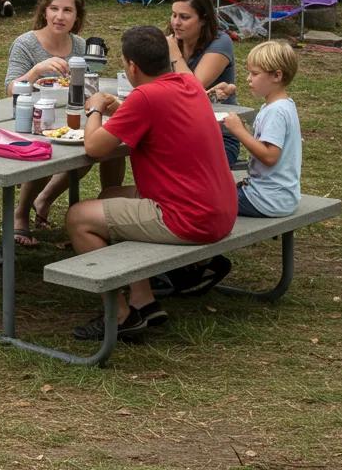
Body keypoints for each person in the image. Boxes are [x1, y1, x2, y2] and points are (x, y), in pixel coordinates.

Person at [66, 26, 238, 341]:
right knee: (110, 195)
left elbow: (93, 148)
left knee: (78, 217)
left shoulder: (146, 96)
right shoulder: (187, 83)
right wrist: (120, 111)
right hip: (220, 207)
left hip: (188, 217)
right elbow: (152, 120)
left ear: (132, 66)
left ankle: (120, 316)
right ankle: (143, 299)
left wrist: (94, 107)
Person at [0, 0, 120, 244]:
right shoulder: (26, 43)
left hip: (71, 115)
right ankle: (20, 213)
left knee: (101, 147)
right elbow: (11, 89)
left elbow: (85, 82)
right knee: (46, 151)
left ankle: (50, 200)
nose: (59, 16)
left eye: (67, 10)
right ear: (44, 10)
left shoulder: (78, 45)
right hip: (33, 118)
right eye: (54, 9)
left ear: (77, 16)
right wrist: (36, 71)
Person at [222, 41, 302, 217]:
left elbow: (270, 156)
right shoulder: (282, 105)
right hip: (280, 197)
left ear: (276, 76)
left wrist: (239, 132)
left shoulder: (276, 111)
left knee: (205, 198)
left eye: (255, 73)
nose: (248, 79)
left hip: (266, 199)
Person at [164, 0, 240, 165]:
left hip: (218, 137)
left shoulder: (221, 42)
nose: (176, 23)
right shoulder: (172, 41)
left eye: (184, 17)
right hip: (180, 129)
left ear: (203, 19)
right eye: (174, 15)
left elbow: (193, 87)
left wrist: (174, 54)